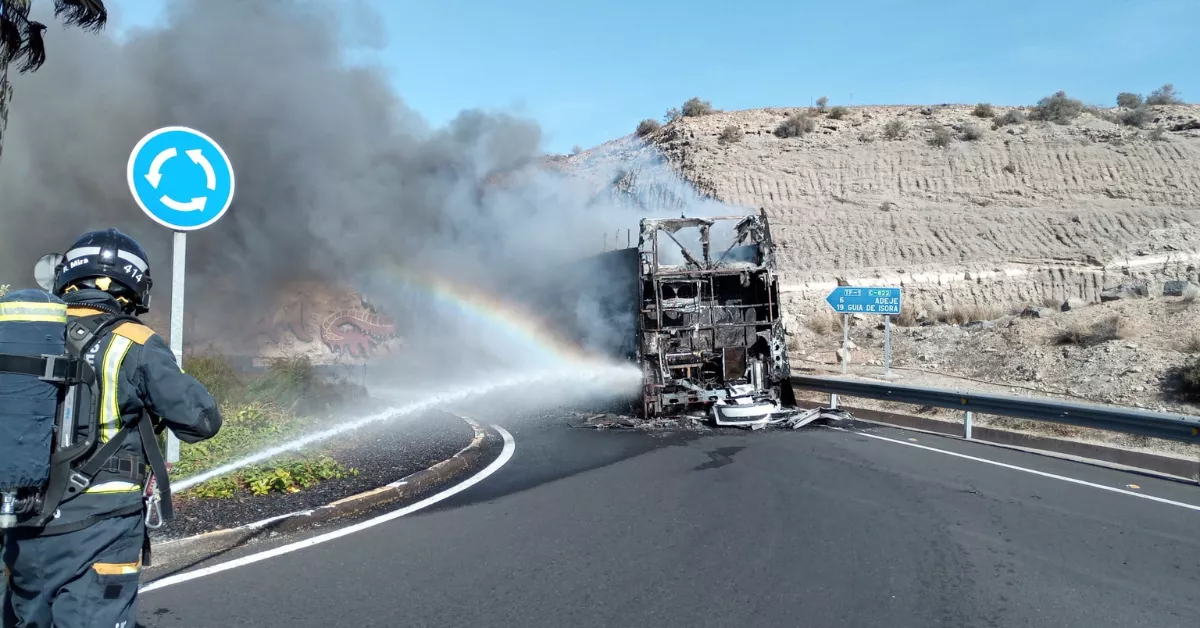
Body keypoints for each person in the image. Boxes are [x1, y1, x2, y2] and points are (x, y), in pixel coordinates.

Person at [1, 228, 223, 628]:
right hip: (101, 524)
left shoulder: (27, 336)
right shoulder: (133, 340)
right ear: (135, 286)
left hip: (22, 519)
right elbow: (200, 421)